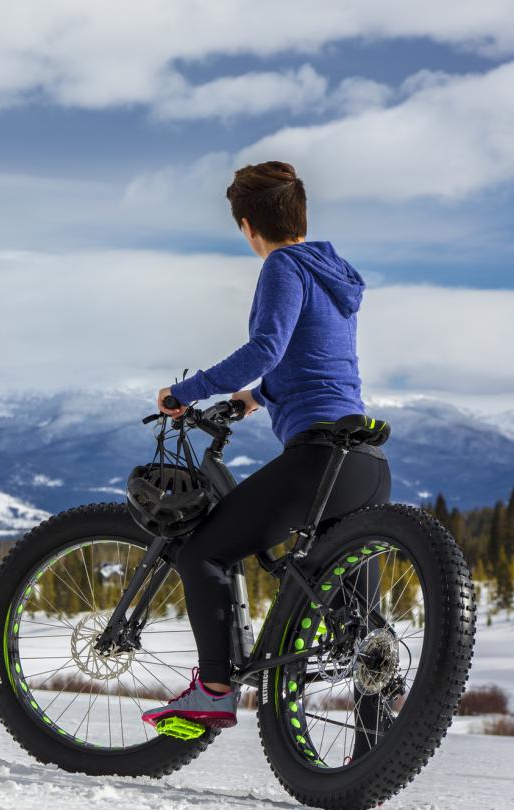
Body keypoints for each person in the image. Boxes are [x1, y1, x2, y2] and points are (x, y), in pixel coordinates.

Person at [139, 160, 392, 730]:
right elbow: (318, 361)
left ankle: (213, 689)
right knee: (363, 630)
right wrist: (257, 399)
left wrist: (184, 391)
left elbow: (267, 347)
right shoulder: (335, 273)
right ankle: (373, 760)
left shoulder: (282, 264)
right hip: (365, 463)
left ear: (248, 224)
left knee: (201, 551)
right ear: (301, 214)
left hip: (318, 459)